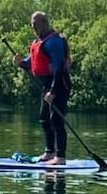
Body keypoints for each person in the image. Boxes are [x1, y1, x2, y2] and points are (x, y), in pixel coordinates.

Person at [14, 12, 72, 166]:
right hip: (46, 85)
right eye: (32, 23)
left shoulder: (54, 41)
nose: (32, 26)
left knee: (56, 120)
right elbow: (29, 64)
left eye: (35, 23)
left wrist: (53, 91)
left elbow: (59, 67)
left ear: (44, 22)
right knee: (44, 118)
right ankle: (49, 152)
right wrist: (20, 62)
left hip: (59, 83)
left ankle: (60, 157)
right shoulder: (38, 42)